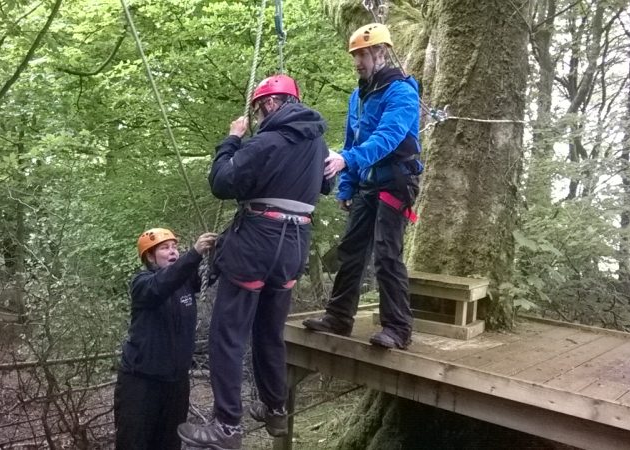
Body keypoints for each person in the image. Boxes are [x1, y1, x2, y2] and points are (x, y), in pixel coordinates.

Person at [177, 74, 332, 450]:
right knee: (268, 331)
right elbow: (325, 184)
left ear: (272, 105)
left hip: (257, 243)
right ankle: (275, 407)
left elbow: (222, 183)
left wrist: (231, 140)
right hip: (294, 245)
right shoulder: (318, 144)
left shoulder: (266, 141)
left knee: (227, 335)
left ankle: (227, 427)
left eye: (262, 108)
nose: (261, 115)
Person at [303, 23, 423, 350]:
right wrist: (346, 187)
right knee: (351, 250)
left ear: (381, 53)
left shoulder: (401, 92)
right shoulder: (359, 94)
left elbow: (388, 138)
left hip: (397, 180)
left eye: (363, 54)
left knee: (386, 253)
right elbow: (352, 140)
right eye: (355, 55)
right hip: (367, 182)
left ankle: (397, 329)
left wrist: (347, 161)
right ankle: (338, 317)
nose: (357, 61)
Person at [113, 228, 217, 450]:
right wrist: (194, 253)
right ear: (150, 256)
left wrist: (218, 248)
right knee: (134, 443)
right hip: (141, 383)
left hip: (176, 383)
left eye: (174, 247)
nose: (173, 252)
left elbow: (212, 272)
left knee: (170, 443)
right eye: (164, 248)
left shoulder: (186, 281)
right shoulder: (142, 283)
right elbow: (163, 284)